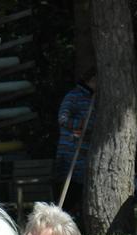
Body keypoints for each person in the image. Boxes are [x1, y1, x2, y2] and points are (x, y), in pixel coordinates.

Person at [54, 69, 96, 219]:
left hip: (85, 151)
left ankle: (74, 216)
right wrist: (81, 124)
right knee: (67, 184)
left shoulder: (95, 98)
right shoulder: (73, 96)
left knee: (80, 184)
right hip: (69, 149)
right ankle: (62, 215)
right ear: (89, 80)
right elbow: (63, 119)